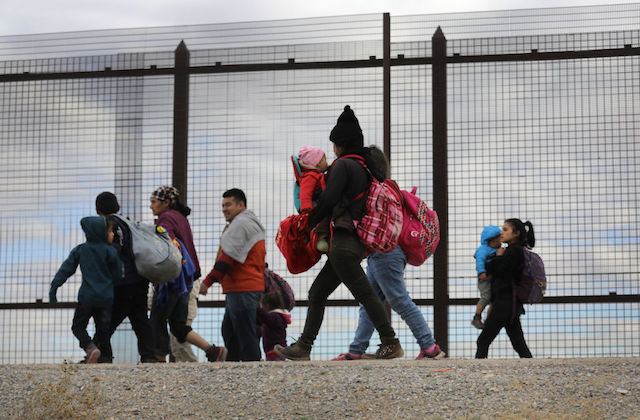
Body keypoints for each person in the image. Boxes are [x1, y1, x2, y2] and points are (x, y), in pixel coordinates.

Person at [274, 105, 403, 361]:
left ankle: (390, 342)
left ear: (339, 144)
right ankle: (304, 346)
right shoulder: (364, 167)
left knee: (364, 293)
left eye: (333, 145)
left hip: (344, 243)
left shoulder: (343, 165)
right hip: (350, 242)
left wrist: (311, 220)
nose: (332, 150)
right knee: (318, 292)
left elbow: (330, 198)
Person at [331, 145, 444, 361]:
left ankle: (430, 347)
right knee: (369, 303)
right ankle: (356, 350)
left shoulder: (377, 190)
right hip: (384, 254)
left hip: (386, 252)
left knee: (399, 299)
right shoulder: (388, 188)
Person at [149, 186, 226, 362]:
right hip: (188, 278)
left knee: (157, 318)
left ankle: (158, 359)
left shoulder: (166, 218)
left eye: (153, 202)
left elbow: (166, 244)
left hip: (172, 278)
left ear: (166, 203)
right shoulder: (181, 218)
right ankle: (213, 351)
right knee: (178, 325)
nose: (151, 207)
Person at [200, 188, 266, 362]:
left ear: (241, 204)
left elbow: (227, 258)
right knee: (231, 332)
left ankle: (252, 372)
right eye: (223, 205)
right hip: (243, 288)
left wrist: (207, 282)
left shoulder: (241, 224)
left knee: (244, 335)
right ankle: (235, 369)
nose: (224, 208)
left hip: (243, 288)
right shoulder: (248, 223)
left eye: (228, 204)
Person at [94, 192, 157, 363]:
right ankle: (149, 356)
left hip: (122, 281)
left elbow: (114, 250)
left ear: (97, 210)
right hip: (140, 277)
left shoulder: (107, 225)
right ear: (119, 207)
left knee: (108, 319)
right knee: (140, 319)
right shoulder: (129, 223)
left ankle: (98, 353)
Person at [49, 216, 122, 364]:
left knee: (78, 326)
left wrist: (54, 287)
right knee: (104, 330)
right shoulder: (110, 251)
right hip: (106, 299)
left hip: (87, 298)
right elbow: (117, 274)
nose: (112, 234)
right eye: (109, 231)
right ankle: (106, 358)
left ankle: (90, 348)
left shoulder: (81, 250)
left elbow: (66, 269)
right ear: (100, 232)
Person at [475, 219, 535, 359]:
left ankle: (478, 373)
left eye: (505, 229)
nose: (501, 232)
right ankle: (531, 368)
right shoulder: (510, 250)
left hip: (505, 304)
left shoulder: (515, 251)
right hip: (510, 304)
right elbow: (494, 269)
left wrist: (498, 258)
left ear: (516, 233)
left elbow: (502, 272)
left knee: (483, 341)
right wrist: (498, 258)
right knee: (519, 344)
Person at [296, 145, 330, 252]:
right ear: (318, 163)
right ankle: (319, 239)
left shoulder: (316, 174)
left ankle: (321, 237)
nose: (326, 162)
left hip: (315, 203)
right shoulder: (310, 176)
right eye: (324, 159)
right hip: (311, 206)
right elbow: (305, 193)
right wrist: (306, 209)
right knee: (322, 218)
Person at [471, 225, 502, 330]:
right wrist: (481, 272)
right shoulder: (483, 250)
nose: (501, 240)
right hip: (484, 278)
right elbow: (480, 261)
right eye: (499, 238)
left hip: (492, 278)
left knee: (494, 300)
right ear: (492, 239)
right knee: (486, 297)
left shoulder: (496, 249)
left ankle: (489, 321)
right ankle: (477, 317)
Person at [257, 293, 291, 361]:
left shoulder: (275, 316)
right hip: (276, 350)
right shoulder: (277, 317)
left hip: (275, 351)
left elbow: (265, 317)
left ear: (267, 305)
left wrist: (258, 308)